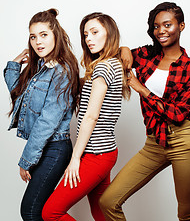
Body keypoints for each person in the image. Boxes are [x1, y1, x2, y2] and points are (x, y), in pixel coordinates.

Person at [99, 2, 190, 221]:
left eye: (168, 25)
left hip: (184, 142)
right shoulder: (148, 55)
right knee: (108, 201)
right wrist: (125, 49)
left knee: (186, 215)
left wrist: (141, 89)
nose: (161, 31)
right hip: (154, 142)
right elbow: (118, 55)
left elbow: (178, 114)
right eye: (156, 26)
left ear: (181, 26)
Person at [41, 12, 130, 221]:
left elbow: (91, 116)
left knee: (50, 213)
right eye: (85, 34)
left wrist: (75, 159)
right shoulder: (113, 64)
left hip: (95, 153)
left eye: (94, 32)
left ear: (109, 33)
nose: (88, 38)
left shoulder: (103, 67)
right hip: (106, 151)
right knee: (101, 213)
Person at [3, 8, 79, 221]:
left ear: (56, 34)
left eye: (44, 35)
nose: (38, 42)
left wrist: (26, 160)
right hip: (44, 147)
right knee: (42, 212)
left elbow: (47, 121)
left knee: (31, 211)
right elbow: (19, 96)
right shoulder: (39, 67)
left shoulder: (62, 71)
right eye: (33, 36)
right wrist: (14, 64)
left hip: (55, 149)